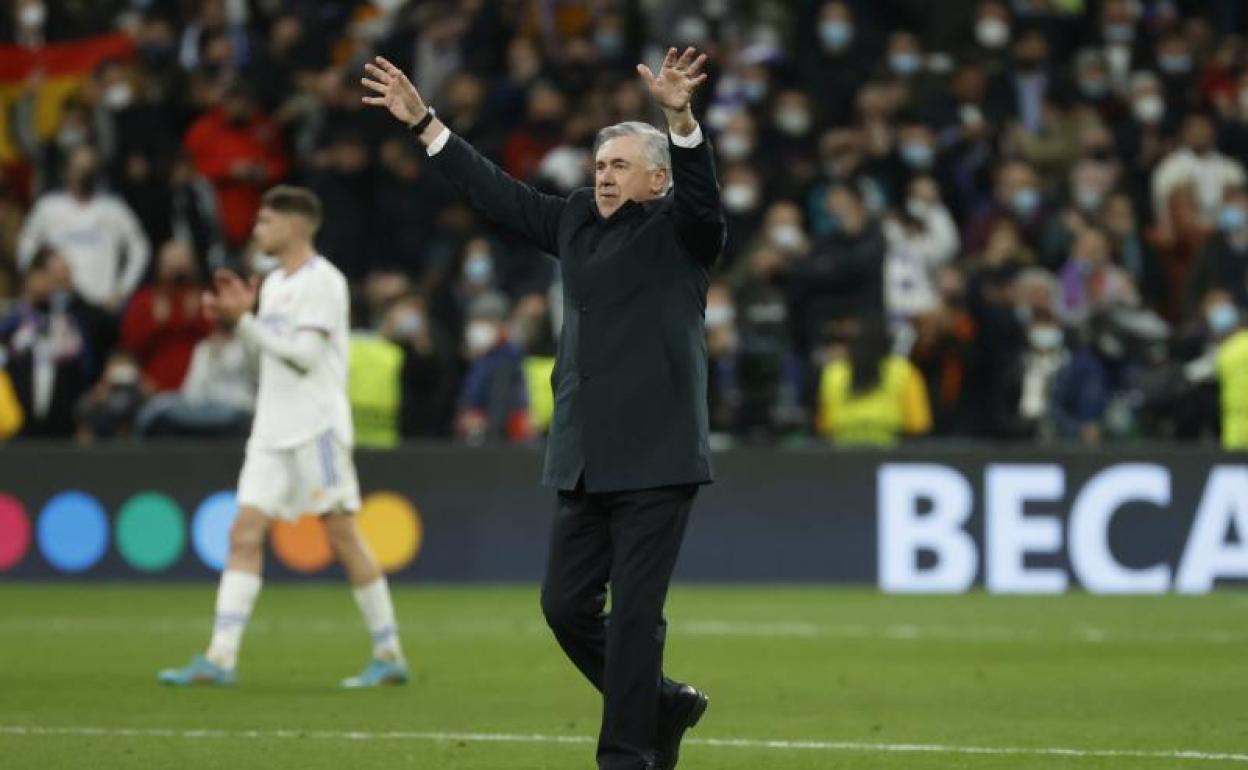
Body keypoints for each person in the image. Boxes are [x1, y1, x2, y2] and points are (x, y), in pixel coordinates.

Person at [362, 46, 721, 770]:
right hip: (583, 454)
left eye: (620, 166)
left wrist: (681, 122)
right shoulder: (576, 221)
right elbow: (497, 194)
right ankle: (662, 703)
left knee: (636, 620)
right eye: (600, 165)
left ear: (657, 178)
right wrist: (426, 124)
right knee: (564, 607)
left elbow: (704, 201)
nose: (604, 175)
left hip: (657, 455)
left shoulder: (682, 232)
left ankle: (626, 757)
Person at [158, 186, 408, 688]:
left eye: (266, 221)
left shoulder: (324, 282)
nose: (257, 230)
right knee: (243, 531)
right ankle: (220, 658)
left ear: (295, 225)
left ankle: (389, 653)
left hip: (316, 427)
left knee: (342, 534)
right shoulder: (271, 284)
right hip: (270, 430)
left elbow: (304, 358)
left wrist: (245, 323)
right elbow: (264, 360)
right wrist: (240, 323)